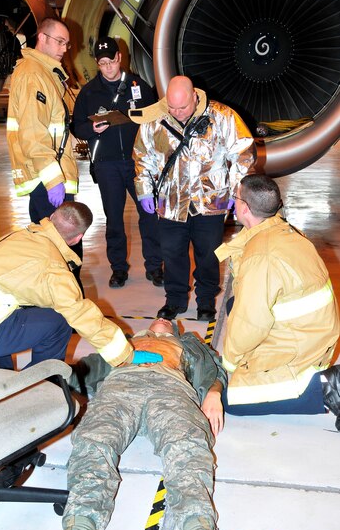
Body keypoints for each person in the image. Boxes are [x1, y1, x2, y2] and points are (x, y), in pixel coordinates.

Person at [1, 318, 282, 530]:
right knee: (93, 441)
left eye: (168, 321)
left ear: (175, 331)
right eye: (157, 318)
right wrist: (48, 381)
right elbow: (85, 370)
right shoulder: (121, 343)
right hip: (119, 388)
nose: (162, 319)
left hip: (170, 388)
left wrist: (214, 393)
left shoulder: (189, 344)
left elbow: (214, 368)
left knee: (188, 444)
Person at [201, 174, 340, 433]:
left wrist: (225, 370)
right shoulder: (282, 229)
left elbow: (250, 324)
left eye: (236, 198)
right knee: (235, 305)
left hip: (304, 349)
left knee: (231, 400)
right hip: (312, 332)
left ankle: (325, 386)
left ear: (244, 208)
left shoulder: (261, 256)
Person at [0, 202, 161, 370]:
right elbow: (81, 314)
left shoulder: (22, 236)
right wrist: (126, 355)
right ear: (78, 238)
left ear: (50, 219)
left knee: (38, 311)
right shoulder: (53, 269)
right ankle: (45, 384)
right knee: (60, 321)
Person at [132, 75, 256, 321]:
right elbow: (142, 157)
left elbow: (243, 155)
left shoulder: (223, 116)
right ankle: (175, 300)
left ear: (195, 97)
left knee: (208, 254)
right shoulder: (154, 119)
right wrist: (144, 190)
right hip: (169, 201)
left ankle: (206, 302)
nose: (177, 113)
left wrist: (236, 192)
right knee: (172, 253)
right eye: (172, 107)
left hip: (212, 200)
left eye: (183, 107)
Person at [71, 36, 163, 289]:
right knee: (114, 219)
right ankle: (118, 269)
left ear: (120, 58)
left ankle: (154, 267)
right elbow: (77, 127)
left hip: (138, 164)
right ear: (97, 64)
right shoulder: (89, 93)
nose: (108, 67)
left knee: (149, 214)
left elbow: (155, 119)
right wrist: (92, 128)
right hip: (107, 164)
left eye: (111, 61)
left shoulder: (138, 86)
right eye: (102, 63)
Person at [6, 17, 84, 289]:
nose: (64, 48)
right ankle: (67, 310)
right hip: (47, 181)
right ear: (42, 38)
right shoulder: (33, 74)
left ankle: (65, 307)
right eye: (60, 42)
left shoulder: (47, 73)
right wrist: (52, 179)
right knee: (62, 252)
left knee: (60, 249)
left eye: (67, 43)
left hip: (51, 177)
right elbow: (32, 132)